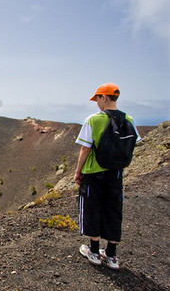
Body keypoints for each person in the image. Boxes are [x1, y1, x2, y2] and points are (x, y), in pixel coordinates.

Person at [74, 82, 140, 270]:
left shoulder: (94, 120)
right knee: (113, 210)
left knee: (92, 208)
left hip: (94, 173)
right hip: (116, 174)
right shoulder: (129, 119)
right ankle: (111, 255)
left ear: (104, 97)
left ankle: (94, 251)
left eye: (97, 99)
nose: (96, 103)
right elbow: (132, 144)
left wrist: (78, 171)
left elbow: (85, 148)